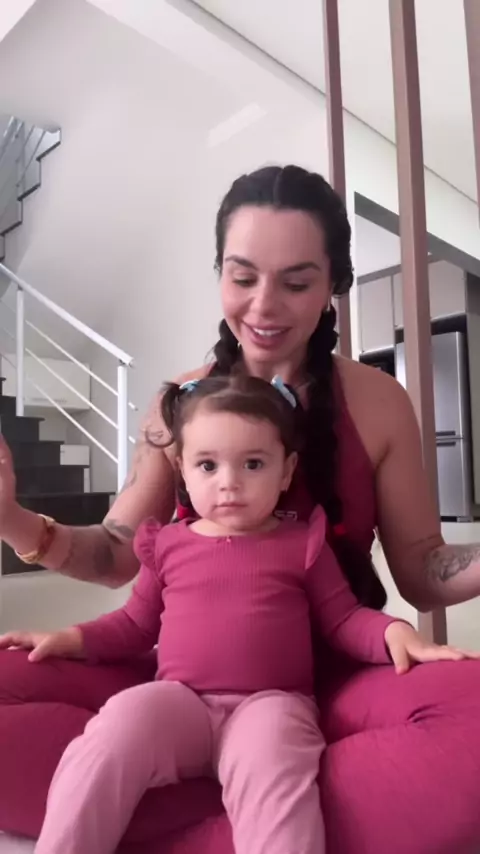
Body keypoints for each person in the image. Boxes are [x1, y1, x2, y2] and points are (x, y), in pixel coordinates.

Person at [1, 165, 480, 854]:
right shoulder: (179, 404)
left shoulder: (378, 402)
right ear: (220, 272)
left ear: (334, 284)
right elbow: (115, 555)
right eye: (243, 276)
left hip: (333, 683)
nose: (263, 305)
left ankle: (188, 809)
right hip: (186, 683)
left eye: (296, 282)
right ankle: (266, 814)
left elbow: (423, 570)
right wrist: (11, 519)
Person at [4, 375, 475, 854]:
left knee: (275, 770)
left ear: (286, 471)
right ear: (183, 470)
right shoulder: (167, 545)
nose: (229, 482)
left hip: (271, 703)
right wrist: (72, 638)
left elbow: (343, 619)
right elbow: (133, 625)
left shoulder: (302, 543)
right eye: (208, 465)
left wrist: (394, 632)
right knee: (116, 728)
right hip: (181, 701)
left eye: (253, 464)